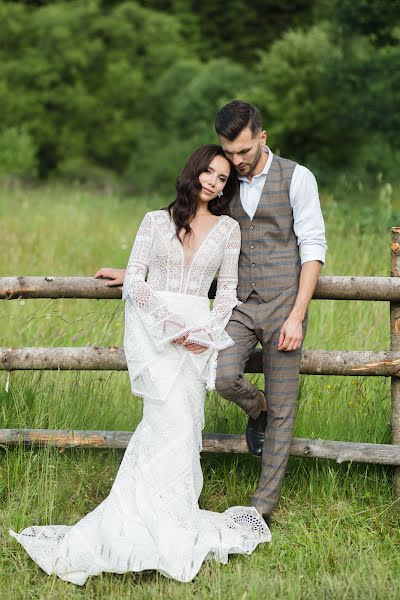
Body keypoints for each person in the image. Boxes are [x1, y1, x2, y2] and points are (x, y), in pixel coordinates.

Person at [9, 144, 270, 586]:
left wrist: (204, 334)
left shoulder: (228, 230)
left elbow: (226, 291)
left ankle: (173, 518)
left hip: (198, 340)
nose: (213, 182)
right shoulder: (155, 221)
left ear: (227, 187)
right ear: (193, 172)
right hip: (158, 334)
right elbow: (136, 278)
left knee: (186, 429)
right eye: (208, 172)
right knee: (161, 423)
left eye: (222, 178)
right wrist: (171, 327)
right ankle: (135, 523)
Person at [214, 101, 327, 526]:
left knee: (285, 406)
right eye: (230, 152)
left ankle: (261, 507)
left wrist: (297, 315)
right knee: (223, 375)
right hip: (241, 303)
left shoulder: (297, 177)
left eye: (244, 150)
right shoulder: (225, 179)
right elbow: (190, 223)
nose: (238, 161)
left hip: (284, 303)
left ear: (262, 137)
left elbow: (313, 246)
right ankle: (255, 408)